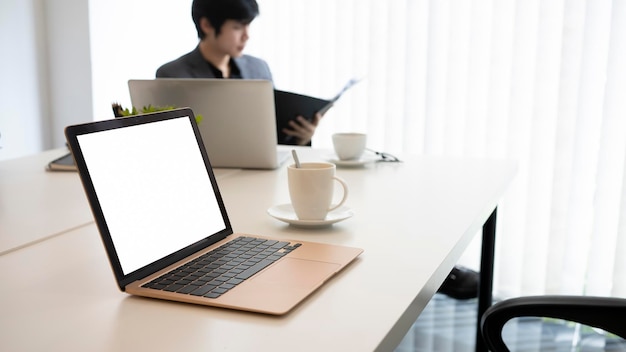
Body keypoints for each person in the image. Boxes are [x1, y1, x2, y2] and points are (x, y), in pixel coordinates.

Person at [156, 0, 321, 146]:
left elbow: (271, 136)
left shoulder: (259, 68)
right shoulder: (172, 74)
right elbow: (171, 142)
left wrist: (301, 138)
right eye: (237, 27)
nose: (246, 35)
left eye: (248, 25)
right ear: (206, 25)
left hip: (259, 170)